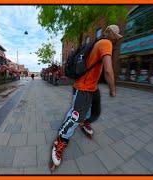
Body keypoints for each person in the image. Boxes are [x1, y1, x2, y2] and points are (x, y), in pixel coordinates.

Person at [51, 25, 122, 167]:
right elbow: (108, 70)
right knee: (75, 116)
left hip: (91, 88)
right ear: (112, 35)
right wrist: (112, 89)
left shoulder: (97, 42)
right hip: (83, 88)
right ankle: (60, 141)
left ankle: (84, 121)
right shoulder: (106, 43)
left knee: (93, 111)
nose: (116, 40)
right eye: (116, 37)